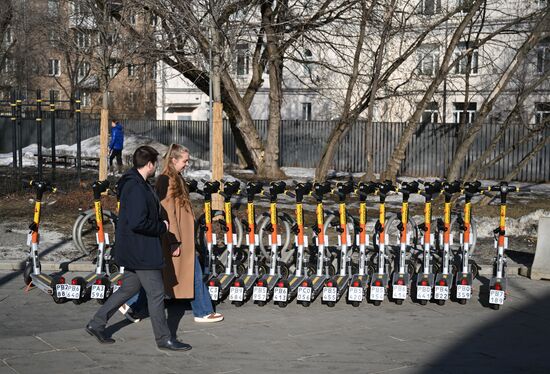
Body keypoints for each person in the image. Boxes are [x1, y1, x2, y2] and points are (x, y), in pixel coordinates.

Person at [85, 145, 191, 352]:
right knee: (157, 293)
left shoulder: (137, 182)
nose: (157, 167)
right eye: (155, 163)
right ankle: (164, 339)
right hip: (141, 250)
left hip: (137, 248)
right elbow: (137, 222)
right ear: (150, 164)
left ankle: (96, 324)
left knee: (129, 288)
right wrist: (161, 227)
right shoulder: (135, 186)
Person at [119, 144, 223, 323]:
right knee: (188, 273)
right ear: (174, 160)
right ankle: (203, 311)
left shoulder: (175, 178)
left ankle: (132, 306)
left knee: (161, 276)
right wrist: (174, 240)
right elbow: (168, 212)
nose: (187, 164)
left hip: (179, 237)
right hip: (175, 238)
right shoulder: (168, 180)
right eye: (184, 160)